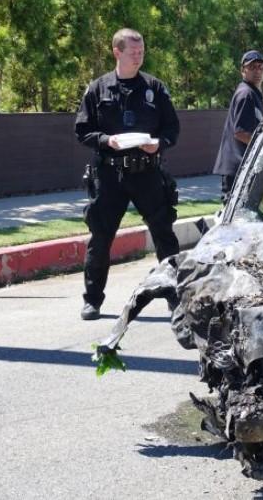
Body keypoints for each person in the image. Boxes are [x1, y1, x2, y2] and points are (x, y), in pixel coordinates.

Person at [75, 28, 180, 320]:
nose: (139, 55)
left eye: (141, 50)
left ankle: (176, 299)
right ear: (117, 52)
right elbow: (82, 130)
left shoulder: (155, 89)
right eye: (133, 51)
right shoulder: (98, 89)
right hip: (109, 176)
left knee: (164, 235)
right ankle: (92, 300)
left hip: (147, 172)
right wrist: (105, 141)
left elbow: (172, 128)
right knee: (100, 237)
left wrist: (159, 144)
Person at [212, 50, 263, 202]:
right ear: (243, 70)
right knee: (234, 219)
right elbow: (241, 133)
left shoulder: (253, 93)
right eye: (252, 67)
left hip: (240, 167)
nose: (257, 71)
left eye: (261, 67)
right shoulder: (246, 94)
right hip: (237, 169)